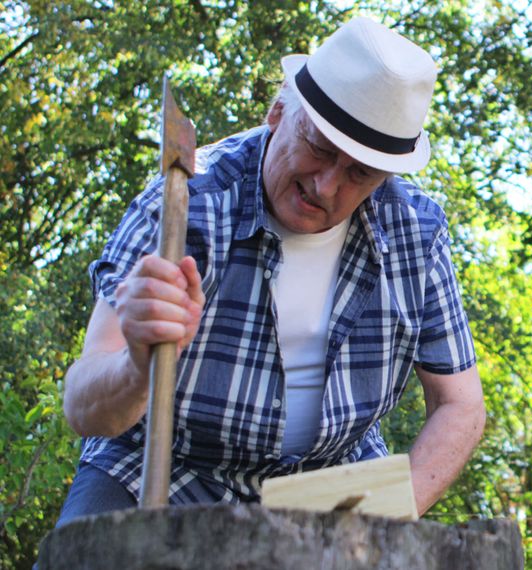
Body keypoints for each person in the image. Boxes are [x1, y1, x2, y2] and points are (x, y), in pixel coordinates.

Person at [56, 16, 484, 524]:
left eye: (358, 173)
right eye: (319, 148)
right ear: (278, 112)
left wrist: (388, 511)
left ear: (385, 177)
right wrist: (137, 364)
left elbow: (460, 407)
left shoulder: (416, 232)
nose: (326, 186)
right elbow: (85, 409)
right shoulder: (184, 205)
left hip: (333, 481)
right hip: (166, 466)